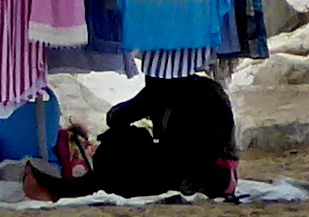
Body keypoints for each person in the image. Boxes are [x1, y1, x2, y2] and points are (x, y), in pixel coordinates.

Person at [22, 74, 238, 200]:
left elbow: (116, 117)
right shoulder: (196, 88)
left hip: (202, 177)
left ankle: (58, 190)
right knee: (120, 152)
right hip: (212, 175)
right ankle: (59, 190)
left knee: (117, 148)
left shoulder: (177, 91)